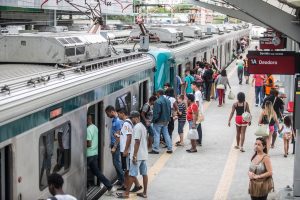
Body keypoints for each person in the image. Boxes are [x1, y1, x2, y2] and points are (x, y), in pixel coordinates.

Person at [116, 111, 149, 199]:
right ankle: (145, 193)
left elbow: (137, 141)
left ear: (136, 117)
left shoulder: (137, 127)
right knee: (144, 174)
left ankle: (126, 194)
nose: (132, 120)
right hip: (144, 155)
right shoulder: (143, 126)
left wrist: (134, 155)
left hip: (137, 156)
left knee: (132, 174)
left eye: (132, 118)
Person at [86, 115, 115, 195]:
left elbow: (88, 143)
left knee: (83, 171)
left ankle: (87, 187)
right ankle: (110, 187)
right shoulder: (95, 127)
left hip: (89, 154)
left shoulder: (88, 130)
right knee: (96, 172)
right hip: (95, 153)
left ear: (87, 120)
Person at [105, 106, 125, 186]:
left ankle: (123, 181)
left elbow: (118, 134)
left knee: (117, 163)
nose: (107, 115)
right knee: (115, 162)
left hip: (117, 144)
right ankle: (120, 179)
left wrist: (114, 146)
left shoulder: (117, 122)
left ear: (111, 111)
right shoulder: (114, 120)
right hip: (114, 143)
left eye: (107, 113)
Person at [150, 89, 173, 154]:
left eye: (157, 93)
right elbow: (170, 111)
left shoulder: (157, 102)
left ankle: (155, 149)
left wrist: (153, 120)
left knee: (157, 134)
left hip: (158, 121)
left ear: (158, 93)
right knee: (166, 134)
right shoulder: (168, 101)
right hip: (166, 120)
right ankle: (169, 148)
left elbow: (156, 113)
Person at [191, 81, 204, 146]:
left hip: (198, 112)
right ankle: (199, 140)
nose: (191, 86)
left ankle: (198, 141)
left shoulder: (196, 93)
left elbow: (197, 103)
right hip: (200, 111)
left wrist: (195, 112)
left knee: (196, 126)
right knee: (198, 126)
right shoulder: (198, 92)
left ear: (195, 85)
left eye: (192, 85)